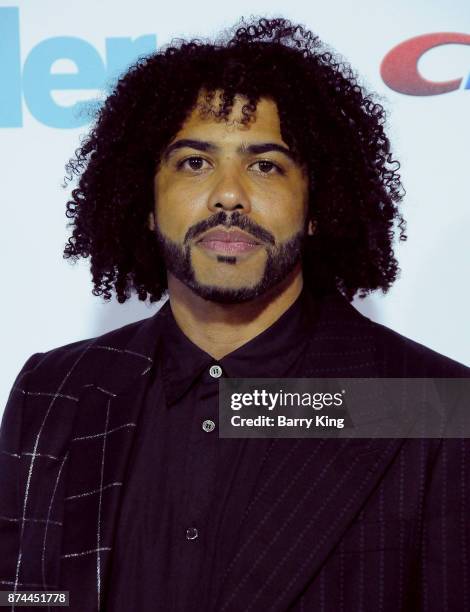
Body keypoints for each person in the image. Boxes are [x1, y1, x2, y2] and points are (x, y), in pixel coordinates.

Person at [1, 17, 469, 612]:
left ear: (317, 206)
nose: (229, 195)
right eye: (194, 163)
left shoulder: (430, 408)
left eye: (266, 165)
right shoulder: (53, 392)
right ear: (145, 202)